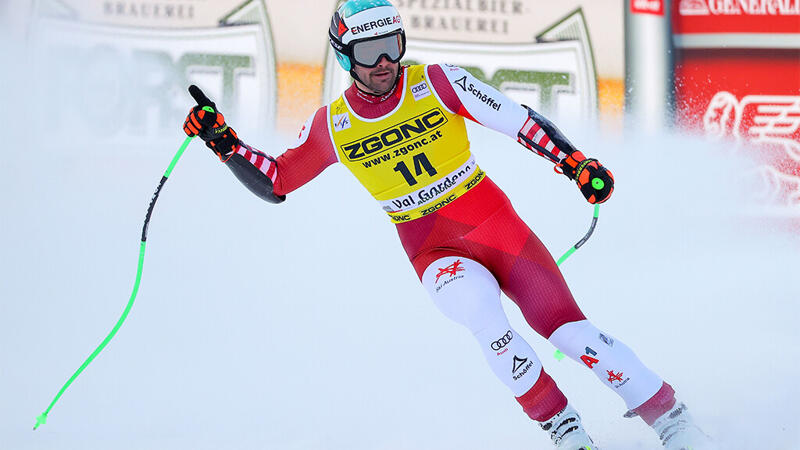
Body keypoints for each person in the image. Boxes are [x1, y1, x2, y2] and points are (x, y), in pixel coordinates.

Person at [182, 1, 714, 448]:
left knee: (570, 331)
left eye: (393, 44)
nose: (385, 61)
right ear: (345, 56)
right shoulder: (332, 125)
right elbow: (278, 181)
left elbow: (518, 120)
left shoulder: (438, 81)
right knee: (488, 324)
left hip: (495, 225)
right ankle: (566, 430)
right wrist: (221, 142)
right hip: (433, 249)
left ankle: (669, 416)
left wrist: (576, 165)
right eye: (370, 52)